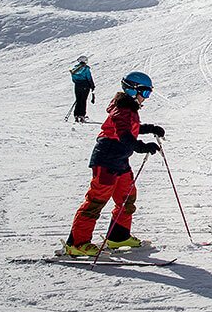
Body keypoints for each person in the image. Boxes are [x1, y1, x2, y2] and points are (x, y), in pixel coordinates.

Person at [65, 71, 165, 256]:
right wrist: (142, 147)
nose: (146, 98)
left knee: (127, 197)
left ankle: (118, 236)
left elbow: (131, 128)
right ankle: (77, 243)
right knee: (96, 200)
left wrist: (150, 128)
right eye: (145, 93)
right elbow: (124, 135)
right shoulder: (122, 109)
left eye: (148, 94)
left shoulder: (129, 108)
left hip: (120, 160)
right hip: (107, 159)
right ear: (132, 90)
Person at [69, 55, 95, 123]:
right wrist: (92, 85)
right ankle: (82, 115)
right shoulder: (86, 68)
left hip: (77, 86)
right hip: (85, 86)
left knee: (78, 100)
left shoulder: (75, 68)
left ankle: (76, 115)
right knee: (83, 100)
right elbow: (89, 77)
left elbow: (73, 78)